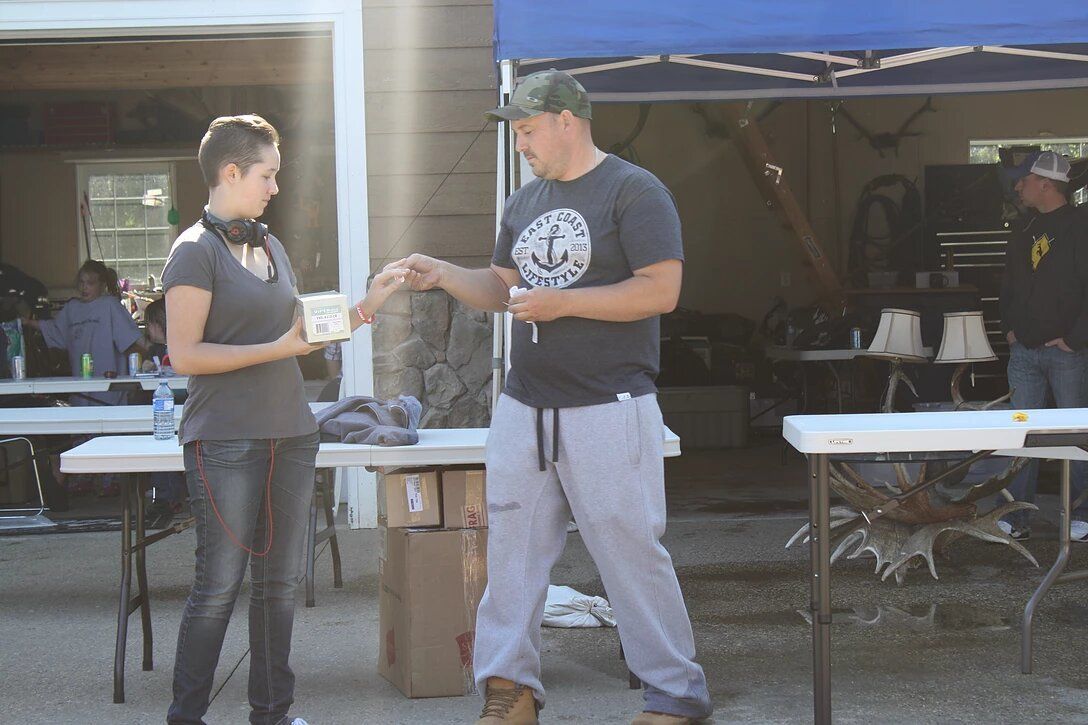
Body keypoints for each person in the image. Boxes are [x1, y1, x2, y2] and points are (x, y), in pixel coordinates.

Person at [389, 70, 712, 725]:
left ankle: (677, 692)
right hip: (523, 407)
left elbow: (660, 290)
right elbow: (501, 287)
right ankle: (512, 691)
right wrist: (446, 275)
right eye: (515, 131)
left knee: (630, 551)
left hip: (609, 404)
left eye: (528, 130)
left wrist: (565, 302)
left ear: (569, 120)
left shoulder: (634, 190)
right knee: (509, 551)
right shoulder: (523, 202)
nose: (520, 144)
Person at [163, 113, 407, 725]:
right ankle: (185, 717)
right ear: (231, 171)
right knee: (218, 588)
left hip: (292, 437)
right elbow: (185, 354)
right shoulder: (193, 252)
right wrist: (280, 349)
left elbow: (310, 332)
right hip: (223, 442)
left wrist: (370, 303)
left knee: (278, 589)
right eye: (268, 175)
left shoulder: (269, 245)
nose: (276, 187)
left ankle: (272, 713)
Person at [998, 150, 1088, 541]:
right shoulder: (1023, 228)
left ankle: (1082, 513)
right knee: (1023, 434)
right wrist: (1009, 329)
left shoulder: (1081, 224)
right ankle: (1017, 516)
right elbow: (1008, 284)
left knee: (1074, 434)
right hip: (1024, 350)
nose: (1020, 186)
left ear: (1046, 183)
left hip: (1065, 350)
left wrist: (1075, 339)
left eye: (1026, 180)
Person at [23, 259, 144, 406]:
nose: (84, 287)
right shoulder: (72, 308)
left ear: (102, 285)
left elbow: (131, 341)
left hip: (108, 382)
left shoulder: (110, 305)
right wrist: (27, 322)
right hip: (80, 382)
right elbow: (55, 329)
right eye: (81, 282)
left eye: (90, 283)